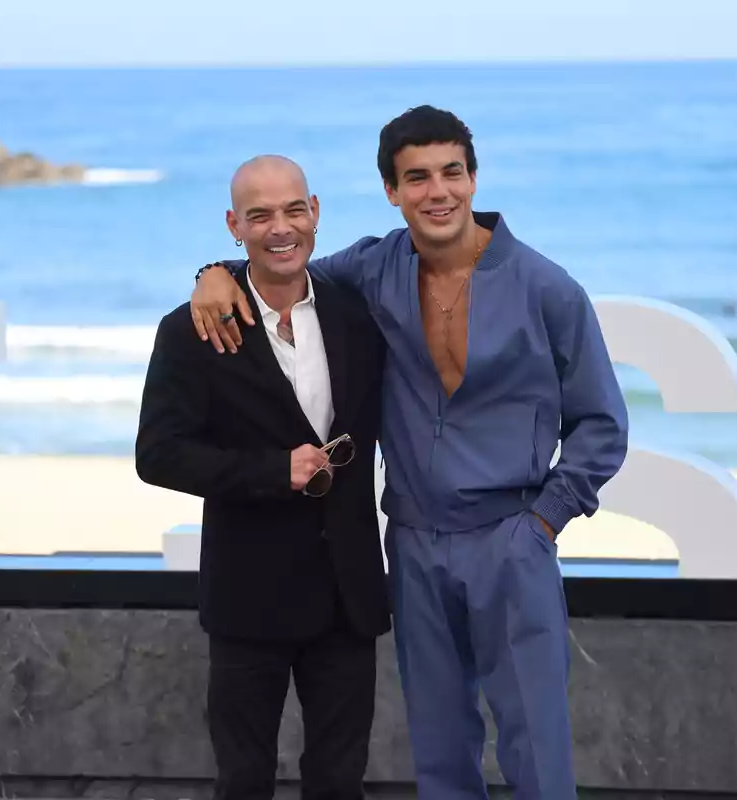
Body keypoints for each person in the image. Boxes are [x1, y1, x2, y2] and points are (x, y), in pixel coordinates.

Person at [188, 107, 629, 799]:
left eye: (452, 173)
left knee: (535, 746)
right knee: (440, 749)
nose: (438, 191)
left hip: (512, 538)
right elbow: (281, 265)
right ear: (392, 191)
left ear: (474, 179)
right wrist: (212, 271)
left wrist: (544, 521)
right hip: (416, 545)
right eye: (416, 177)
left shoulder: (547, 287)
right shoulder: (372, 268)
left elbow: (602, 421)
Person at [136, 155, 390, 800]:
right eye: (260, 215)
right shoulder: (189, 329)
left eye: (293, 210)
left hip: (348, 596)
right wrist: (271, 471)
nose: (281, 228)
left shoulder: (359, 313)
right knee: (243, 781)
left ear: (315, 212)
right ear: (234, 225)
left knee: (339, 781)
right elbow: (158, 453)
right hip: (249, 596)